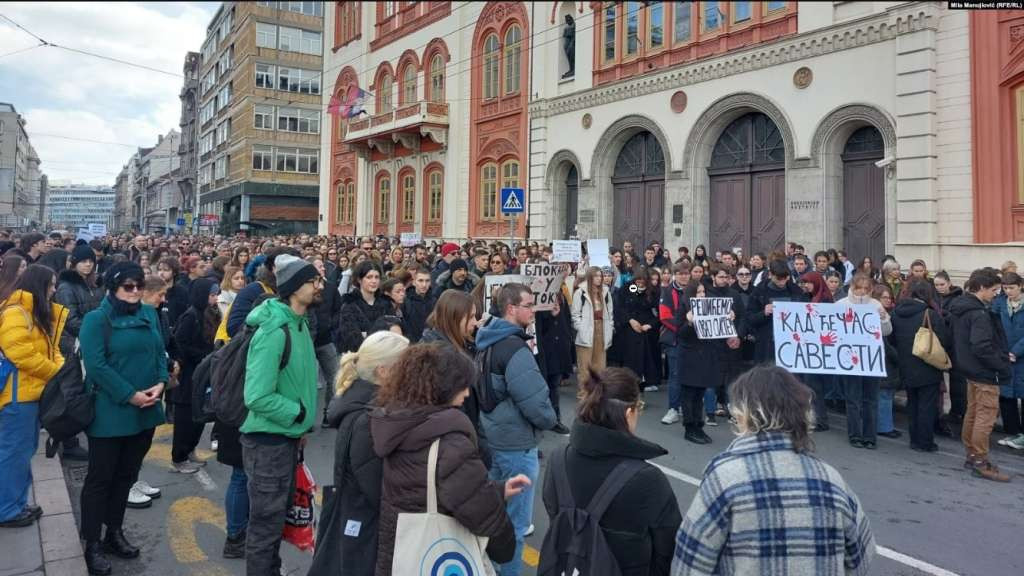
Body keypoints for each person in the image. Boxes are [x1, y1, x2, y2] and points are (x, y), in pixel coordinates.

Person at [674, 366, 876, 576]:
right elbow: (861, 558)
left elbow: (690, 562)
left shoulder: (724, 477)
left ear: (744, 413)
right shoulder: (832, 480)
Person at [371, 343, 523, 576]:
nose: (467, 393)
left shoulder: (397, 425)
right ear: (444, 388)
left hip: (401, 554)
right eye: (463, 386)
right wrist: (505, 546)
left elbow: (425, 487)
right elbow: (481, 512)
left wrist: (497, 490)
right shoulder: (450, 442)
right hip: (439, 556)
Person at [541, 367, 682, 574]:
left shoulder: (557, 459)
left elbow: (554, 514)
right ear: (628, 413)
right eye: (639, 407)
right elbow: (669, 551)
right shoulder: (648, 479)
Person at [79, 262, 168, 575]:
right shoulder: (96, 319)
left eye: (139, 286)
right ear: (113, 287)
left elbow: (160, 352)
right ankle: (92, 542)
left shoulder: (148, 314)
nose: (135, 292)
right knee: (100, 479)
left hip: (146, 411)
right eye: (128, 286)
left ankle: (113, 532)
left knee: (126, 476)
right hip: (110, 413)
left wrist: (161, 382)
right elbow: (96, 366)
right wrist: (130, 395)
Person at [240, 254, 320, 574]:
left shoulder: (299, 324)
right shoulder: (275, 331)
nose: (318, 286)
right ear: (294, 287)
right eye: (312, 281)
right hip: (267, 442)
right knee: (265, 526)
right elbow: (256, 396)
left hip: (285, 438)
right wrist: (297, 414)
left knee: (275, 522)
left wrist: (300, 427)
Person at [308, 331, 409, 576]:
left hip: (360, 522)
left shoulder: (364, 406)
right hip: (366, 531)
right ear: (383, 371)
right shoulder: (368, 419)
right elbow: (377, 488)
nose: (412, 372)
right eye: (406, 365)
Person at [476, 283, 559, 576]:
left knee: (493, 514)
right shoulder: (514, 347)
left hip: (494, 436)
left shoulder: (487, 339)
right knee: (516, 525)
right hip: (516, 443)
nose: (533, 310)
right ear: (511, 309)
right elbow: (534, 399)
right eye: (528, 305)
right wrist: (550, 420)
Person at [0, 266, 67, 529]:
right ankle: (7, 510)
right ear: (39, 285)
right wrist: (56, 373)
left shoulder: (31, 311)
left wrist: (61, 369)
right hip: (17, 397)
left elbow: (51, 348)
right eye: (51, 285)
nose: (53, 290)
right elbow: (22, 354)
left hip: (28, 393)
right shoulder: (16, 312)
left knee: (22, 451)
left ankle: (16, 503)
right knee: (14, 453)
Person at [950, 268, 1013, 482]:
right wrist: (1001, 365)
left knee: (974, 413)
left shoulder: (962, 308)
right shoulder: (978, 313)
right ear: (982, 288)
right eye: (994, 290)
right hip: (985, 372)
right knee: (984, 418)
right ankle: (980, 461)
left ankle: (972, 455)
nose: (996, 294)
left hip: (971, 369)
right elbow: (981, 347)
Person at [891, 279, 951, 452]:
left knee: (913, 404)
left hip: (905, 365)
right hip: (927, 365)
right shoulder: (929, 314)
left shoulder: (896, 313)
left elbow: (892, 340)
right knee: (927, 405)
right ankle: (925, 441)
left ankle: (914, 440)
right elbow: (943, 340)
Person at [835, 274, 893, 449]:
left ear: (870, 289)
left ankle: (870, 437)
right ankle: (854, 435)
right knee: (853, 400)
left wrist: (883, 318)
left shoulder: (875, 305)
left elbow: (887, 331)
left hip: (871, 360)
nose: (862, 292)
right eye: (858, 288)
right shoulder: (841, 305)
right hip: (849, 359)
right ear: (852, 287)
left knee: (871, 400)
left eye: (865, 289)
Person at [170, 278, 220, 474]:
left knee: (198, 416)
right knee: (185, 420)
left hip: (202, 373)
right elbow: (180, 343)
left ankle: (190, 450)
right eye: (212, 295)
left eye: (216, 294)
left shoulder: (209, 314)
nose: (215, 298)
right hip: (188, 375)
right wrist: (203, 355)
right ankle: (179, 458)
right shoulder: (190, 316)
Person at [746, 259, 803, 364]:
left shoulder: (796, 291)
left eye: (785, 278)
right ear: (770, 275)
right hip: (766, 345)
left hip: (790, 343)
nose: (782, 282)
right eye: (779, 279)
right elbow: (749, 318)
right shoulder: (759, 292)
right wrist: (763, 313)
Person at [535, 286, 574, 435]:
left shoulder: (561, 296)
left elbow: (566, 320)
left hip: (558, 349)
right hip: (543, 350)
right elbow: (538, 327)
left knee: (554, 386)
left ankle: (554, 420)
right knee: (542, 386)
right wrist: (550, 316)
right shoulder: (538, 298)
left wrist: (568, 340)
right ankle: (542, 419)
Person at [616, 268, 661, 390]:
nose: (640, 284)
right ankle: (631, 383)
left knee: (648, 357)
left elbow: (657, 312)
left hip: (647, 328)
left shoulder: (653, 292)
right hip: (630, 328)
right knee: (632, 358)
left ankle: (649, 381)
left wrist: (650, 325)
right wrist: (630, 320)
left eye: (643, 282)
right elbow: (620, 308)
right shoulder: (627, 289)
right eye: (638, 282)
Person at [994, 272, 1024, 450]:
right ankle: (1013, 432)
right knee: (1006, 395)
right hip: (1004, 356)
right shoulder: (999, 304)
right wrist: (1003, 350)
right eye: (1005, 288)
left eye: (1011, 288)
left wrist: (1016, 351)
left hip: (1020, 356)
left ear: (1020, 286)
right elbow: (993, 327)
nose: (1008, 291)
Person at [571, 266, 614, 389]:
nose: (599, 278)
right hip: (586, 330)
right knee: (585, 368)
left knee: (600, 367)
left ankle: (598, 395)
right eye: (596, 276)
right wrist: (581, 328)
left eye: (600, 276)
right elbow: (575, 314)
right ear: (590, 277)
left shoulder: (605, 292)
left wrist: (610, 327)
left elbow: (610, 313)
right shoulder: (580, 292)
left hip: (601, 329)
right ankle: (584, 396)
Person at [337, 260, 390, 354]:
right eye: (369, 277)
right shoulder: (349, 305)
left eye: (377, 277)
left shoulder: (386, 303)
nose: (374, 281)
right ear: (359, 280)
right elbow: (352, 339)